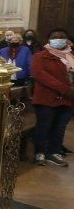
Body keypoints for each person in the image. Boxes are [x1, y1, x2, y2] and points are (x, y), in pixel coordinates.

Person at [30, 28, 74, 167]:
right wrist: (65, 89)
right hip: (46, 98)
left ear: (67, 40)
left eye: (62, 36)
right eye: (55, 36)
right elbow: (40, 75)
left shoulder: (71, 57)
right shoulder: (40, 56)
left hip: (67, 99)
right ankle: (40, 153)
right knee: (44, 126)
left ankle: (54, 152)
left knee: (60, 127)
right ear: (49, 40)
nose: (58, 39)